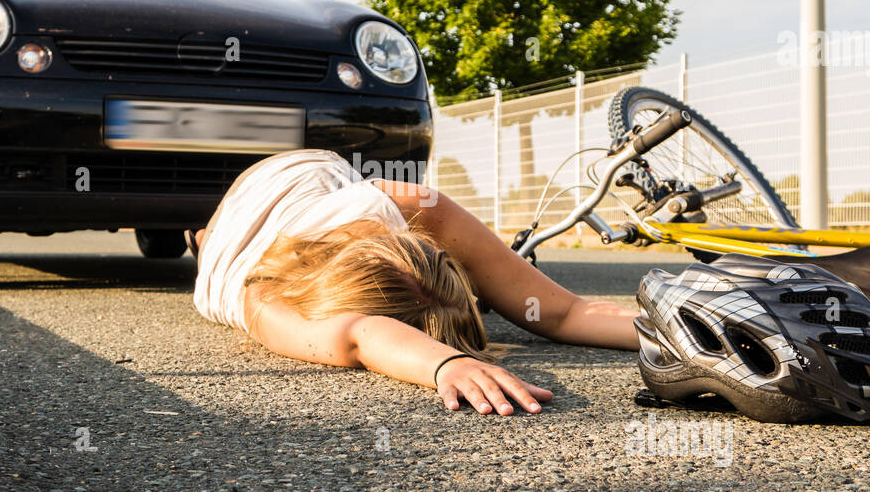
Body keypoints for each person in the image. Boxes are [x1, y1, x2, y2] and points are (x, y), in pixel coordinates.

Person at [192, 149, 639, 416]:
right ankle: (201, 240)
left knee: (212, 241)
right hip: (251, 210)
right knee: (208, 241)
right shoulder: (262, 299)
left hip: (308, 176)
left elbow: (562, 313)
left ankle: (204, 239)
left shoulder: (400, 204)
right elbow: (358, 334)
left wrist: (684, 328)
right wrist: (447, 364)